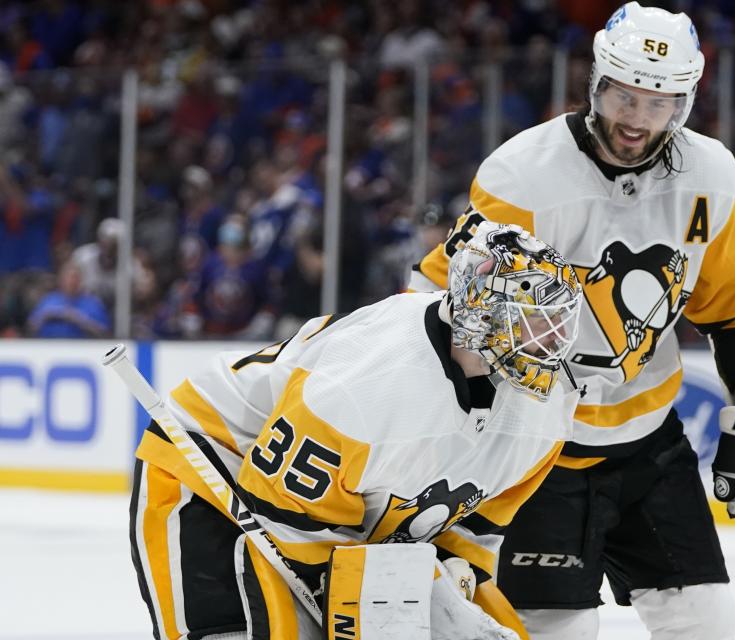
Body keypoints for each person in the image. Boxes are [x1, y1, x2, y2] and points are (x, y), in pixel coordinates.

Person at [409, 4, 735, 639]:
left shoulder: (712, 178)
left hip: (649, 444)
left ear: (684, 102)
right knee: (558, 631)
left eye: (659, 102)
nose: (637, 120)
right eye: (625, 95)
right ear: (598, 83)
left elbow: (734, 303)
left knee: (707, 625)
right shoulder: (524, 174)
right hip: (538, 448)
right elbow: (444, 293)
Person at [130, 222, 584, 640]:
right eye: (533, 318)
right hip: (214, 471)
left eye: (559, 321)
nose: (553, 339)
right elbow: (283, 509)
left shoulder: (549, 409)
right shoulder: (367, 386)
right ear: (479, 311)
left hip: (330, 507)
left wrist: (448, 589)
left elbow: (471, 535)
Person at [27, 259, 110, 338]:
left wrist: (79, 319)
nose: (71, 282)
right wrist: (51, 315)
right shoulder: (48, 300)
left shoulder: (92, 304)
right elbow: (30, 328)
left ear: (80, 280)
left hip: (83, 348)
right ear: (60, 280)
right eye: (67, 278)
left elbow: (104, 333)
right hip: (48, 347)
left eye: (74, 278)